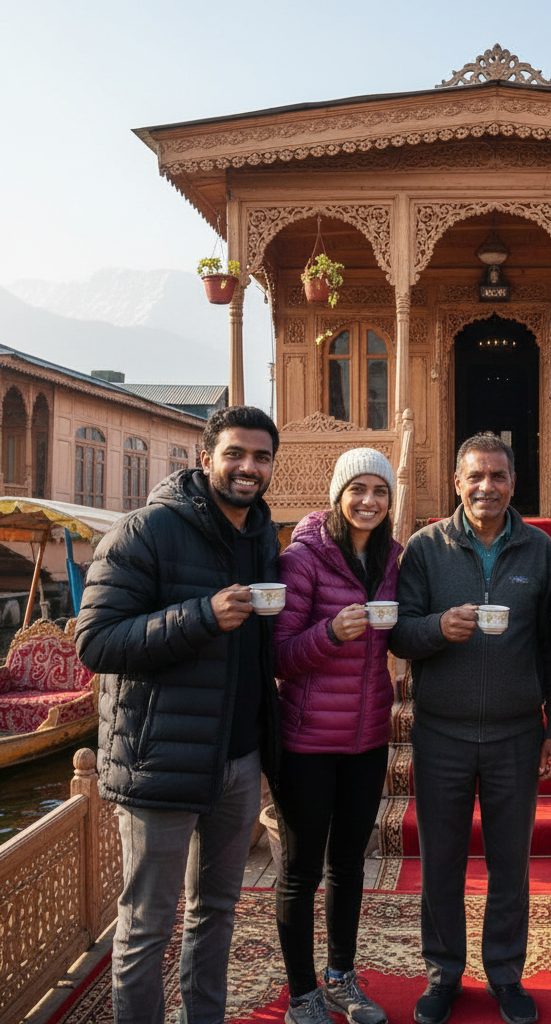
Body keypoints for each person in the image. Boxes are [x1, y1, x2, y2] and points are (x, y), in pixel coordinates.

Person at [75, 405, 282, 1024]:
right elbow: (97, 642)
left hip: (237, 758)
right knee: (146, 924)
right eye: (236, 454)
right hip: (158, 758)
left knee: (216, 910)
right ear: (206, 459)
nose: (249, 467)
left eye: (262, 457)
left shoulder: (261, 535)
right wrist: (200, 616)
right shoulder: (145, 532)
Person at [389, 432, 551, 1024]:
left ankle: (505, 975)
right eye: (475, 477)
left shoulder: (540, 550)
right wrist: (440, 627)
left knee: (509, 864)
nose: (486, 487)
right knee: (440, 860)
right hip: (440, 731)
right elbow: (400, 635)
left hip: (516, 733)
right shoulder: (424, 548)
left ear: (513, 482)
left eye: (498, 476)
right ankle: (443, 974)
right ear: (457, 482)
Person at [272, 448, 402, 1024]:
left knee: (349, 864)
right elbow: (277, 655)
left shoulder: (394, 559)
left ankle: (342, 976)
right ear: (338, 494)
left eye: (380, 490)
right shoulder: (301, 560)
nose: (368, 501)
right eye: (358, 489)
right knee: (301, 872)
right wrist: (329, 633)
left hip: (368, 736)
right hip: (306, 741)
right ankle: (303, 992)